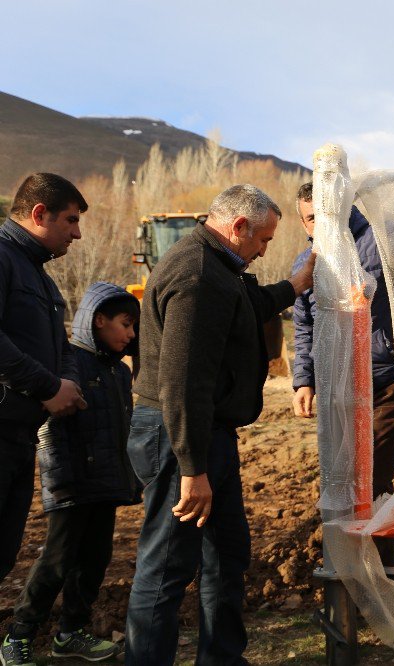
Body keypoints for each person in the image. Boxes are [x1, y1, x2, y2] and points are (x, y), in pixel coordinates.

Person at [124, 185, 316, 665]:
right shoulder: (198, 274)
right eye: (264, 239)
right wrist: (192, 467)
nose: (264, 249)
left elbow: (246, 307)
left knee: (227, 555)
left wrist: (294, 286)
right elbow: (182, 380)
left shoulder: (222, 268)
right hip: (181, 436)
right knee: (167, 566)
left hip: (207, 434)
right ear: (238, 227)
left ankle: (222, 658)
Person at [290, 163, 394, 562]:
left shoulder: (384, 240)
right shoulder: (304, 264)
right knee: (340, 479)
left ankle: (378, 573)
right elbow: (303, 326)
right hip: (337, 390)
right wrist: (303, 381)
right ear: (305, 222)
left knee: (371, 478)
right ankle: (351, 568)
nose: (319, 223)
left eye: (325, 213)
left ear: (343, 208)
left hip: (387, 382)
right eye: (310, 218)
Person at [3, 283, 141, 665]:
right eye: (125, 324)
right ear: (99, 320)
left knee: (96, 558)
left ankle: (70, 633)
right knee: (58, 558)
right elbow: (50, 426)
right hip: (71, 482)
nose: (131, 334)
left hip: (106, 482)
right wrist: (61, 477)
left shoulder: (118, 371)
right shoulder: (69, 363)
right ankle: (19, 635)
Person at [0, 173, 89, 665]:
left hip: (18, 436)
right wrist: (49, 386)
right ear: (39, 214)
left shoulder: (40, 276)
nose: (76, 233)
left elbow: (62, 348)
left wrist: (67, 380)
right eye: (71, 220)